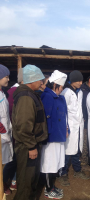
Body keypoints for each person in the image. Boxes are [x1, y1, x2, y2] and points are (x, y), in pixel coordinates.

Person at [12, 64, 48, 200]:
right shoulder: (26, 97)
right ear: (31, 80)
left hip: (30, 144)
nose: (41, 83)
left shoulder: (30, 95)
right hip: (27, 146)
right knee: (26, 182)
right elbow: (23, 125)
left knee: (31, 178)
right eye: (39, 80)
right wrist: (31, 146)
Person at [59, 70, 90, 187]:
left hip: (78, 125)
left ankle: (77, 170)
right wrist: (65, 126)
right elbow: (63, 111)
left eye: (81, 80)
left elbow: (79, 108)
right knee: (67, 150)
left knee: (77, 149)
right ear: (72, 81)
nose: (81, 83)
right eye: (78, 81)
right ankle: (63, 173)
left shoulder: (80, 92)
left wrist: (82, 118)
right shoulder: (66, 92)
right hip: (70, 126)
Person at [40, 70, 68, 199]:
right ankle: (47, 188)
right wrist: (47, 135)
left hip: (59, 135)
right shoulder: (47, 97)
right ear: (55, 85)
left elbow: (64, 116)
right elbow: (46, 118)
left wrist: (67, 128)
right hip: (51, 137)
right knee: (49, 163)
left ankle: (52, 185)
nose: (62, 89)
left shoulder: (59, 97)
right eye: (61, 87)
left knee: (55, 163)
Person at [3, 68, 23, 194]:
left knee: (14, 158)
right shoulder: (13, 92)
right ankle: (5, 183)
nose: (8, 79)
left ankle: (13, 181)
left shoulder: (8, 92)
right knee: (11, 159)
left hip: (12, 131)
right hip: (10, 132)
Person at [0, 64, 13, 194]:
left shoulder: (2, 93)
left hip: (5, 133)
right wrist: (3, 130)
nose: (8, 80)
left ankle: (3, 184)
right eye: (6, 77)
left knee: (5, 162)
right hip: (1, 134)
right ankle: (2, 186)